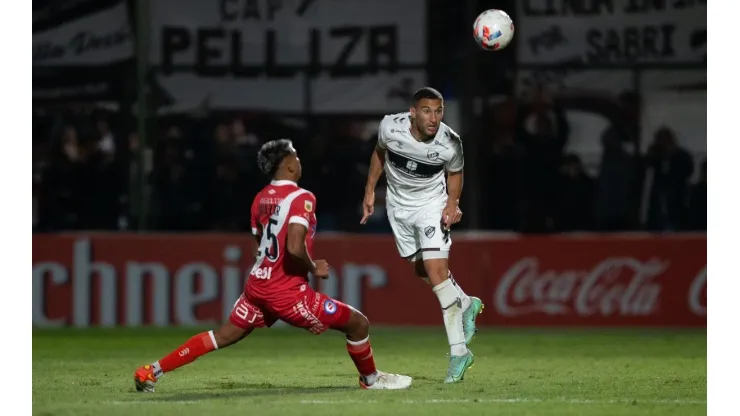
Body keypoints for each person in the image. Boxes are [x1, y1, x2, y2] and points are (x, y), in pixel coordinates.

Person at [134, 139, 412, 392]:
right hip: (286, 292)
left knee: (223, 335)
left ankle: (152, 371)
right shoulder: (302, 197)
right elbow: (293, 246)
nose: (300, 162)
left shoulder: (260, 199)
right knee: (358, 324)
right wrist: (314, 267)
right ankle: (370, 380)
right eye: (297, 157)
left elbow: (259, 242)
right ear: (290, 165)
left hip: (258, 286)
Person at [360, 87, 484, 384]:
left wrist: (452, 204)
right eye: (427, 111)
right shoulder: (390, 126)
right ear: (413, 112)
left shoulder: (450, 142)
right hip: (398, 207)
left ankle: (459, 352)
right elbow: (379, 153)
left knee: (436, 272)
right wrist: (369, 190)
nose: (434, 118)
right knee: (419, 268)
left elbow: (456, 172)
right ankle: (466, 303)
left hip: (431, 206)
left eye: (439, 111)